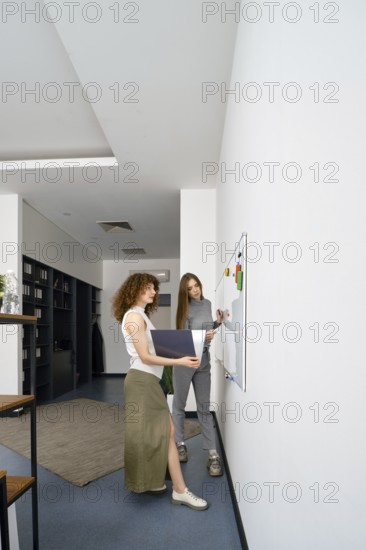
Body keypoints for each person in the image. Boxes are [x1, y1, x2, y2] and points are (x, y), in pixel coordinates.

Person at [112, 272, 208, 511]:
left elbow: (157, 347)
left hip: (148, 381)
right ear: (134, 290)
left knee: (161, 432)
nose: (154, 292)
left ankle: (155, 482)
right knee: (166, 432)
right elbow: (145, 356)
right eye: (148, 288)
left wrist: (198, 339)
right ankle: (180, 490)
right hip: (142, 382)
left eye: (154, 288)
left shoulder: (141, 315)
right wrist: (181, 362)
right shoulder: (134, 317)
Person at [173, 273, 224, 476]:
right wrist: (205, 336)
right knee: (179, 405)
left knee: (204, 407)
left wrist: (217, 323)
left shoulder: (207, 303)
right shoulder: (183, 309)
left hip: (204, 361)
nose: (195, 290)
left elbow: (207, 329)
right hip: (185, 360)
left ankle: (212, 455)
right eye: (190, 288)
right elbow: (184, 338)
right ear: (184, 292)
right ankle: (180, 444)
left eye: (196, 286)